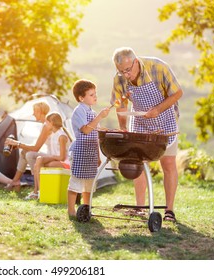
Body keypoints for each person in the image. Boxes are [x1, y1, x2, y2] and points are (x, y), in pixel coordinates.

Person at [110, 47, 183, 222]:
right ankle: (141, 208)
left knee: (168, 163)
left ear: (136, 62)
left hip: (165, 119)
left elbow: (178, 93)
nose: (126, 75)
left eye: (128, 70)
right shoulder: (119, 78)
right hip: (140, 121)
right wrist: (123, 127)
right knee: (138, 163)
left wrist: (157, 109)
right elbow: (121, 104)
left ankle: (169, 211)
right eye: (121, 71)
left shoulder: (157, 67)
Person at [68, 79, 110, 217]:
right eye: (91, 95)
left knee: (89, 184)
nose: (95, 97)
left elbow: (95, 135)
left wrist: (98, 156)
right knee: (76, 182)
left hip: (91, 151)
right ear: (81, 98)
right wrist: (99, 117)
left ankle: (86, 209)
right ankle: (71, 210)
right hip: (80, 151)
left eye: (95, 94)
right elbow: (86, 130)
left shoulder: (92, 112)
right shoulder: (79, 111)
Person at [4, 101, 51, 192]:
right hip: (49, 154)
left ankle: (37, 187)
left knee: (29, 154)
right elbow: (36, 147)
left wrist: (17, 143)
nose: (33, 113)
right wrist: (19, 145)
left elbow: (36, 148)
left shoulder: (46, 126)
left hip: (53, 156)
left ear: (41, 112)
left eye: (35, 111)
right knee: (24, 152)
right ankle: (15, 181)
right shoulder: (44, 125)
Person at [26, 112, 71, 200]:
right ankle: (38, 191)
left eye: (47, 122)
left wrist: (51, 157)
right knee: (38, 161)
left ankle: (38, 191)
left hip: (65, 163)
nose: (45, 124)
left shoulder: (61, 136)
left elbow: (62, 157)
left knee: (39, 164)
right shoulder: (53, 135)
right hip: (56, 160)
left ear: (52, 123)